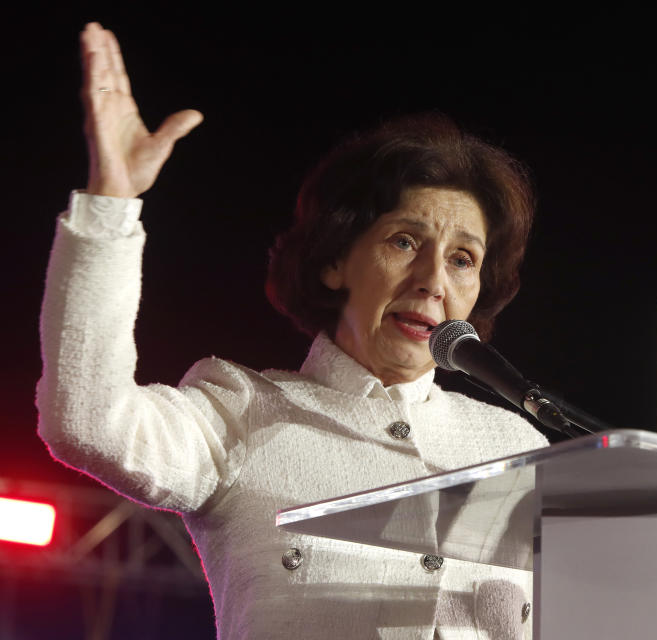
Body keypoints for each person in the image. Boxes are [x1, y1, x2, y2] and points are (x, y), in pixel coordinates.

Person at [37, 22, 548, 639]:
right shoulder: (240, 412)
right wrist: (111, 204)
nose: (432, 280)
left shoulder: (518, 448)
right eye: (404, 241)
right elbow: (87, 420)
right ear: (335, 260)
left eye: (463, 258)